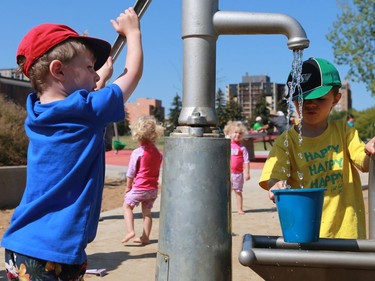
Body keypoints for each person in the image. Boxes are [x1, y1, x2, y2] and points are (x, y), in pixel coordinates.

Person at [1, 7, 143, 280]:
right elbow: (133, 74)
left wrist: (95, 76)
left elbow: (79, 104)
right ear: (58, 71)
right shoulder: (86, 112)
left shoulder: (37, 113)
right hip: (54, 253)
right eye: (89, 68)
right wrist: (133, 33)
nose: (95, 76)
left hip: (21, 246)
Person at [259, 57, 375, 239]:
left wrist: (370, 150)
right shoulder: (287, 140)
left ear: (336, 99)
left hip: (347, 233)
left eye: (319, 99)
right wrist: (275, 186)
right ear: (294, 101)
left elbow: (365, 164)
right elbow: (274, 176)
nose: (310, 104)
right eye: (302, 99)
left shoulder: (344, 131)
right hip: (307, 233)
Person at [121, 116, 164, 244]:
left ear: (137, 135)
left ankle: (130, 231)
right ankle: (145, 237)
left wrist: (128, 187)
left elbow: (131, 173)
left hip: (139, 187)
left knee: (127, 206)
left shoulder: (137, 152)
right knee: (147, 214)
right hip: (152, 189)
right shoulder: (158, 153)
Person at [224, 121, 251, 215]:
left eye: (240, 133)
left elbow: (246, 161)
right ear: (229, 133)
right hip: (227, 173)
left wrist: (247, 172)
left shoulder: (242, 148)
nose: (237, 134)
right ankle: (226, 209)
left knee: (238, 191)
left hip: (238, 174)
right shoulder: (226, 146)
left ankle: (239, 208)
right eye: (235, 132)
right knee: (226, 192)